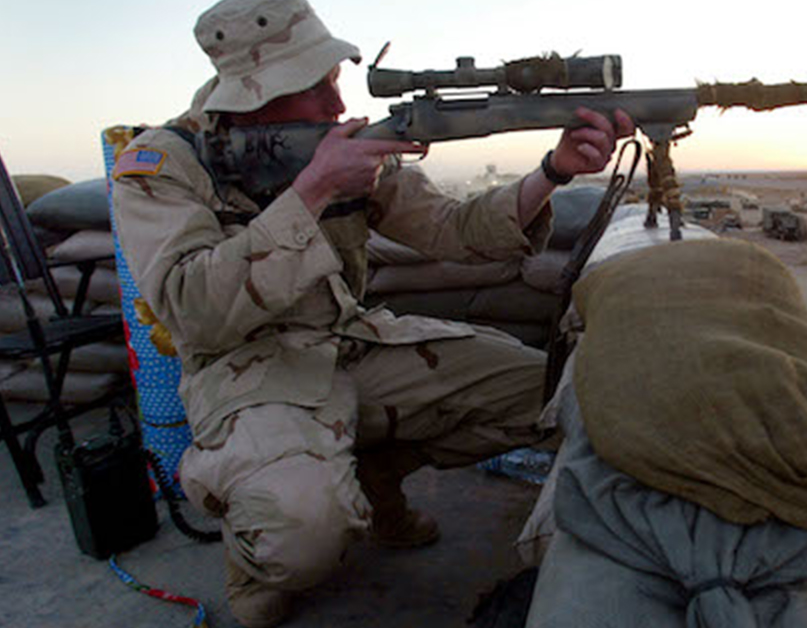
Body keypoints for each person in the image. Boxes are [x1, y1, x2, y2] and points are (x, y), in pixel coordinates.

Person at [111, 0, 632, 626]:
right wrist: (314, 191)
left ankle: (374, 477)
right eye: (316, 86)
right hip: (247, 373)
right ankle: (255, 553)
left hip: (350, 343)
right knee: (301, 543)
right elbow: (192, 310)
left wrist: (552, 172)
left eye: (334, 80)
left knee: (562, 395)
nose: (337, 104)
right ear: (255, 94)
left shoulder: (338, 148)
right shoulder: (163, 166)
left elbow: (451, 229)